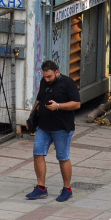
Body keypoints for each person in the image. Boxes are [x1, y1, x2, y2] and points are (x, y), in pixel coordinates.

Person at [26, 60, 81, 202]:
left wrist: (58, 106)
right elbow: (39, 99)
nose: (46, 79)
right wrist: (31, 117)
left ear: (57, 72)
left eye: (49, 76)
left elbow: (77, 104)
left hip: (62, 128)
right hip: (43, 127)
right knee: (38, 153)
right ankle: (41, 187)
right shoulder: (44, 82)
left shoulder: (68, 83)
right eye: (45, 76)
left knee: (63, 157)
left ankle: (67, 189)